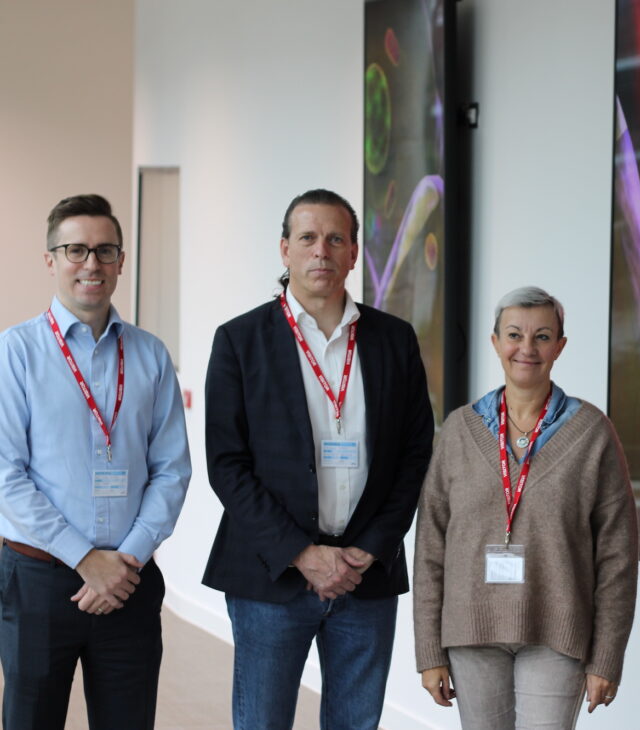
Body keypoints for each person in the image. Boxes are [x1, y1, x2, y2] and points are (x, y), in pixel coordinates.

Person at [203, 188, 433, 730]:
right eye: (307, 238)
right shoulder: (240, 340)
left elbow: (414, 454)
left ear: (355, 253)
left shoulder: (394, 340)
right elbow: (227, 465)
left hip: (365, 579)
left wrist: (367, 551)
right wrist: (303, 554)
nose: (321, 251)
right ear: (284, 250)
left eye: (335, 239)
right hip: (271, 577)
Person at [0, 194, 191, 728]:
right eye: (76, 249)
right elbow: (5, 476)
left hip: (131, 582)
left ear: (121, 260)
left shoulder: (150, 355)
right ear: (51, 260)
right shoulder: (14, 353)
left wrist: (125, 561)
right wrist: (86, 559)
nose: (92, 264)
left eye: (105, 250)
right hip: (39, 580)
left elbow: (172, 469)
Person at [414, 286, 638, 730]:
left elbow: (617, 555)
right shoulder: (460, 429)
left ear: (560, 346)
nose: (527, 349)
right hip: (471, 631)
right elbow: (430, 546)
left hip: (557, 633)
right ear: (495, 343)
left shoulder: (592, 432)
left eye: (542, 336)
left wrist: (607, 656)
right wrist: (428, 651)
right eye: (514, 335)